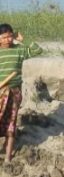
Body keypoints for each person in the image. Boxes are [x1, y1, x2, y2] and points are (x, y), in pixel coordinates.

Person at [0, 24, 43, 163]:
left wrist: (23, 40)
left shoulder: (19, 50)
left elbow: (37, 50)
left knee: (11, 122)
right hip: (0, 92)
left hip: (14, 92)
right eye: (4, 37)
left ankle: (8, 157)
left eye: (10, 36)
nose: (7, 39)